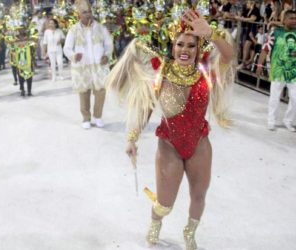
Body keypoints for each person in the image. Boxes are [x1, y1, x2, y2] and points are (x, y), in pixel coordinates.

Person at [106, 5, 235, 249]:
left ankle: (190, 232)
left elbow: (228, 56)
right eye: (180, 44)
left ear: (198, 49)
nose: (184, 50)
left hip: (199, 145)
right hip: (169, 147)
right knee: (165, 203)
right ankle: (155, 223)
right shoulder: (161, 74)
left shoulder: (206, 73)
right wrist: (131, 139)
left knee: (199, 196)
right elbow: (145, 108)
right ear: (172, 46)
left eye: (191, 45)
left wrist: (210, 34)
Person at [63, 0, 113, 129]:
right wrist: (74, 56)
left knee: (101, 91)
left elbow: (109, 44)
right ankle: (86, 118)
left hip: (99, 66)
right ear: (79, 14)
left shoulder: (100, 28)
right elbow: (67, 48)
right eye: (84, 12)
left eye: (89, 12)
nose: (88, 14)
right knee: (84, 92)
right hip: (82, 67)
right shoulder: (73, 30)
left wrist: (107, 55)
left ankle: (98, 116)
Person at [256, 9, 296, 132]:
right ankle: (271, 121)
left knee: (295, 98)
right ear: (284, 20)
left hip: (293, 72)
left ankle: (288, 121)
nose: (294, 21)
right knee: (274, 97)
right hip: (278, 71)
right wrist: (259, 64)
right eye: (292, 18)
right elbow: (266, 48)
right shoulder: (276, 32)